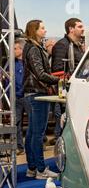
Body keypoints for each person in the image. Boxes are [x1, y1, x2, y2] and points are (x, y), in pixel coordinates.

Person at [23, 20, 60, 179]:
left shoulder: (31, 48)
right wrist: (58, 80)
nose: (45, 31)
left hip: (32, 94)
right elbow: (40, 73)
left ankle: (32, 168)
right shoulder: (33, 49)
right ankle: (40, 169)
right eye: (42, 28)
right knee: (37, 134)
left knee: (32, 133)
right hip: (37, 94)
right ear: (35, 30)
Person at [51, 18, 85, 144]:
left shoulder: (78, 46)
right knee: (65, 128)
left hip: (78, 92)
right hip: (67, 93)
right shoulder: (62, 45)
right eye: (80, 26)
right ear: (71, 29)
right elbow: (57, 71)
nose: (83, 29)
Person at [1, 39, 30, 155]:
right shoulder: (9, 64)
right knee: (16, 123)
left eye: (14, 48)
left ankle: (32, 145)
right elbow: (7, 82)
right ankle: (19, 147)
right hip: (15, 98)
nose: (12, 51)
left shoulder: (28, 63)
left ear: (21, 49)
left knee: (33, 122)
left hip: (27, 96)